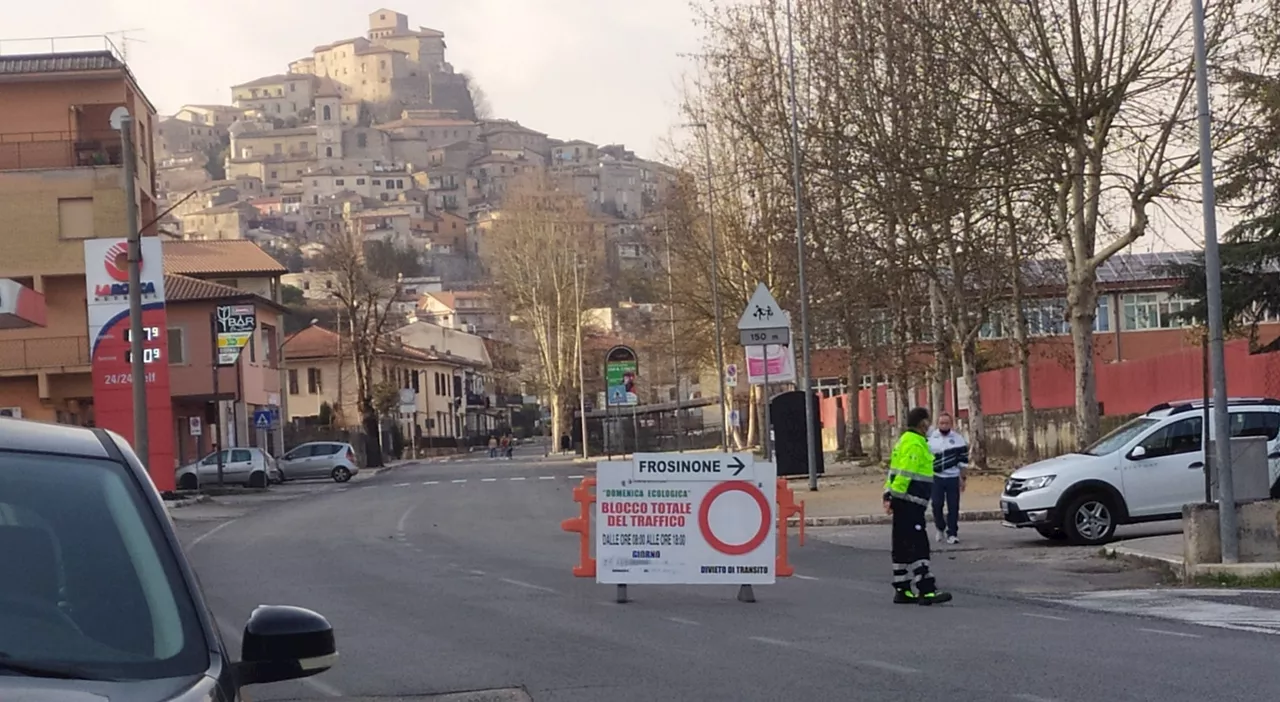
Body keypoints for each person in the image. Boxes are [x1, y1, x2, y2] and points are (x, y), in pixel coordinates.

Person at [883, 407, 953, 605]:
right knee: (919, 545)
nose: (930, 426)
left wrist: (888, 496)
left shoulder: (904, 442)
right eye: (928, 422)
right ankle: (926, 590)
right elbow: (905, 473)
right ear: (922, 423)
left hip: (903, 502)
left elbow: (892, 472)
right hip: (910, 504)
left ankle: (903, 589)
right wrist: (895, 497)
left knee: (901, 546)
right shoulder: (915, 444)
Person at [929, 412, 970, 545]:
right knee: (936, 505)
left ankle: (952, 533)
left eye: (947, 423)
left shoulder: (958, 439)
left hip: (953, 477)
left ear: (951, 424)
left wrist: (963, 479)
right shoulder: (930, 439)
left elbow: (963, 461)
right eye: (941, 423)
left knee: (953, 506)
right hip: (936, 478)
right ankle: (940, 527)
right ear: (937, 424)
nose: (944, 425)